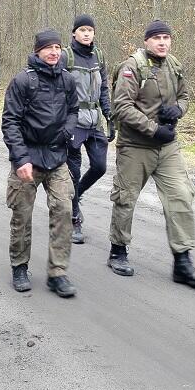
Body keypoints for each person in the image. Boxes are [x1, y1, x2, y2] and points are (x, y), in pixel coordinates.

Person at [106, 20, 195, 287]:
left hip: (167, 146)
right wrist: (153, 129)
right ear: (146, 41)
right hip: (136, 146)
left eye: (166, 37)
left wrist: (179, 110)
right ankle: (118, 251)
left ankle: (182, 262)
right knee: (126, 198)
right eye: (157, 38)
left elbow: (185, 96)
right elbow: (122, 107)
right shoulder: (132, 67)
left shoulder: (174, 65)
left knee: (181, 195)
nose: (162, 42)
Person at [1, 29, 79, 298]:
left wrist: (67, 131)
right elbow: (10, 122)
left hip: (57, 157)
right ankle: (19, 266)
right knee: (21, 215)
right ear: (38, 51)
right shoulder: (23, 80)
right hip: (28, 159)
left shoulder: (67, 79)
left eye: (57, 47)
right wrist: (21, 158)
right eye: (48, 48)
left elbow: (74, 110)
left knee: (64, 210)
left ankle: (58, 272)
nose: (54, 52)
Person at [62, 14, 113, 244]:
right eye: (82, 30)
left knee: (100, 167)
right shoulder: (66, 57)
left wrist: (109, 115)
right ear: (74, 33)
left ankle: (77, 194)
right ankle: (74, 220)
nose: (86, 33)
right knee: (73, 172)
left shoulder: (98, 56)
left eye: (90, 30)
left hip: (94, 122)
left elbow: (104, 88)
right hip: (73, 122)